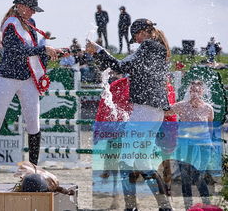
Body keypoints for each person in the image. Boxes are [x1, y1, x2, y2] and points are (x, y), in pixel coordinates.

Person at [86, 18, 172, 210]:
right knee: (142, 160)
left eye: (136, 37)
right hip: (153, 112)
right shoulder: (156, 48)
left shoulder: (148, 46)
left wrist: (99, 50)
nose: (137, 41)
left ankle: (130, 207)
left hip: (144, 111)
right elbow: (122, 67)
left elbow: (119, 67)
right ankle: (165, 206)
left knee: (125, 160)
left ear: (141, 32)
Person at [0, 0, 62, 165]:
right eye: (31, 9)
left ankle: (33, 170)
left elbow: (34, 51)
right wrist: (43, 50)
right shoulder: (10, 25)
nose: (33, 12)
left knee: (33, 124)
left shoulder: (31, 23)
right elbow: (17, 52)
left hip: (28, 78)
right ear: (20, 6)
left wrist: (52, 53)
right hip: (8, 78)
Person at [165, 80, 214, 209]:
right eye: (192, 91)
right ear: (189, 92)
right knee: (185, 177)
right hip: (184, 146)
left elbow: (210, 128)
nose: (194, 93)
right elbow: (165, 112)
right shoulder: (181, 105)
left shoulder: (208, 108)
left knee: (198, 176)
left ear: (202, 92)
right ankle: (188, 206)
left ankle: (207, 206)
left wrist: (210, 144)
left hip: (203, 147)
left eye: (197, 91)